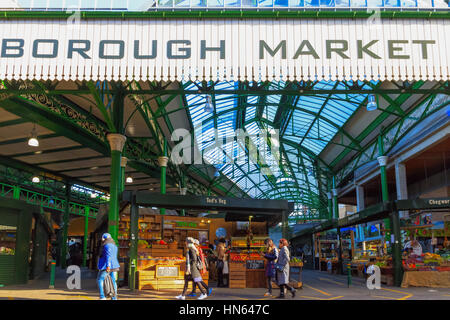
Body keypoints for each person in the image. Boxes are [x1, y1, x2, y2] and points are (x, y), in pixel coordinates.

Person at [97, 233, 120, 300]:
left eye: (102, 239)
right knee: (113, 282)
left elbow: (108, 256)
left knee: (100, 279)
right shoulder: (114, 245)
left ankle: (102, 296)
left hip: (106, 266)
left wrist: (108, 266)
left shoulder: (107, 245)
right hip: (115, 266)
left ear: (104, 238)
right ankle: (114, 297)